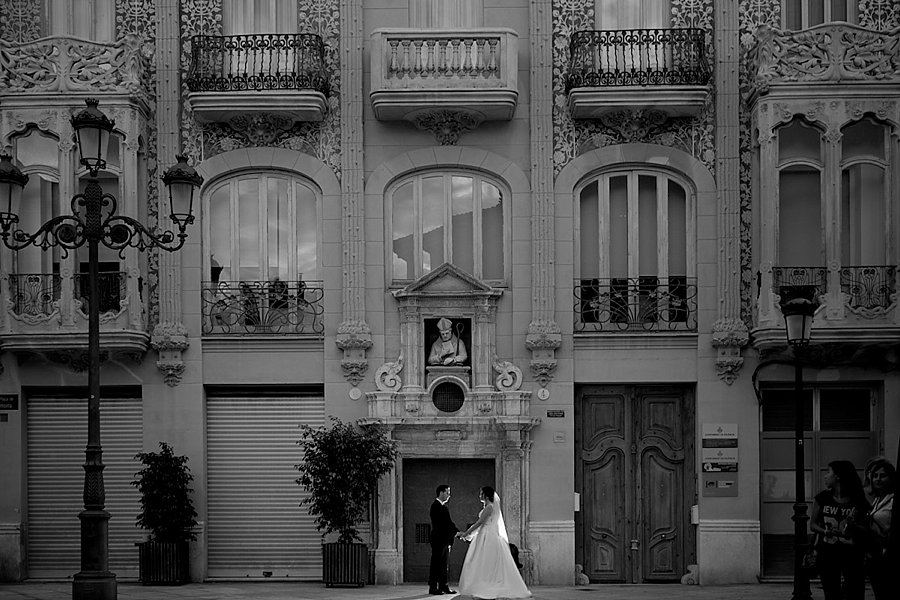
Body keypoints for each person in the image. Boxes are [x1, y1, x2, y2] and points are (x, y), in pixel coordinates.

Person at [456, 486, 531, 599]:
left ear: (485, 495)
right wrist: (470, 534)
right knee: (483, 561)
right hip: (485, 534)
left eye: (481, 493)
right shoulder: (489, 507)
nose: (479, 495)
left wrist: (467, 533)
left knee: (485, 561)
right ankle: (484, 582)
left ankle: (487, 584)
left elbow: (480, 523)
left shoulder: (490, 507)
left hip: (488, 537)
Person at [810, 460, 870, 600]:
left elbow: (867, 528)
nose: (825, 476)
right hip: (828, 552)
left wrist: (853, 525)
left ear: (838, 476)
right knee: (831, 593)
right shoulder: (822, 498)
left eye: (828, 472)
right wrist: (825, 532)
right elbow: (812, 525)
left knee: (855, 592)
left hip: (852, 554)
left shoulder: (858, 500)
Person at [861, 457, 896, 600]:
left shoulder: (892, 499)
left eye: (882, 476)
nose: (877, 479)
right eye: (875, 476)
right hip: (874, 556)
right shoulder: (877, 499)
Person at [429, 484, 458, 595]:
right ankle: (433, 587)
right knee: (436, 564)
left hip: (445, 541)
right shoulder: (435, 506)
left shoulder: (443, 507)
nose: (449, 495)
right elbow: (443, 525)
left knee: (444, 565)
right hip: (438, 540)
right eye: (447, 492)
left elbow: (449, 524)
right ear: (441, 493)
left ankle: (444, 586)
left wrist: (457, 533)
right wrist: (458, 533)